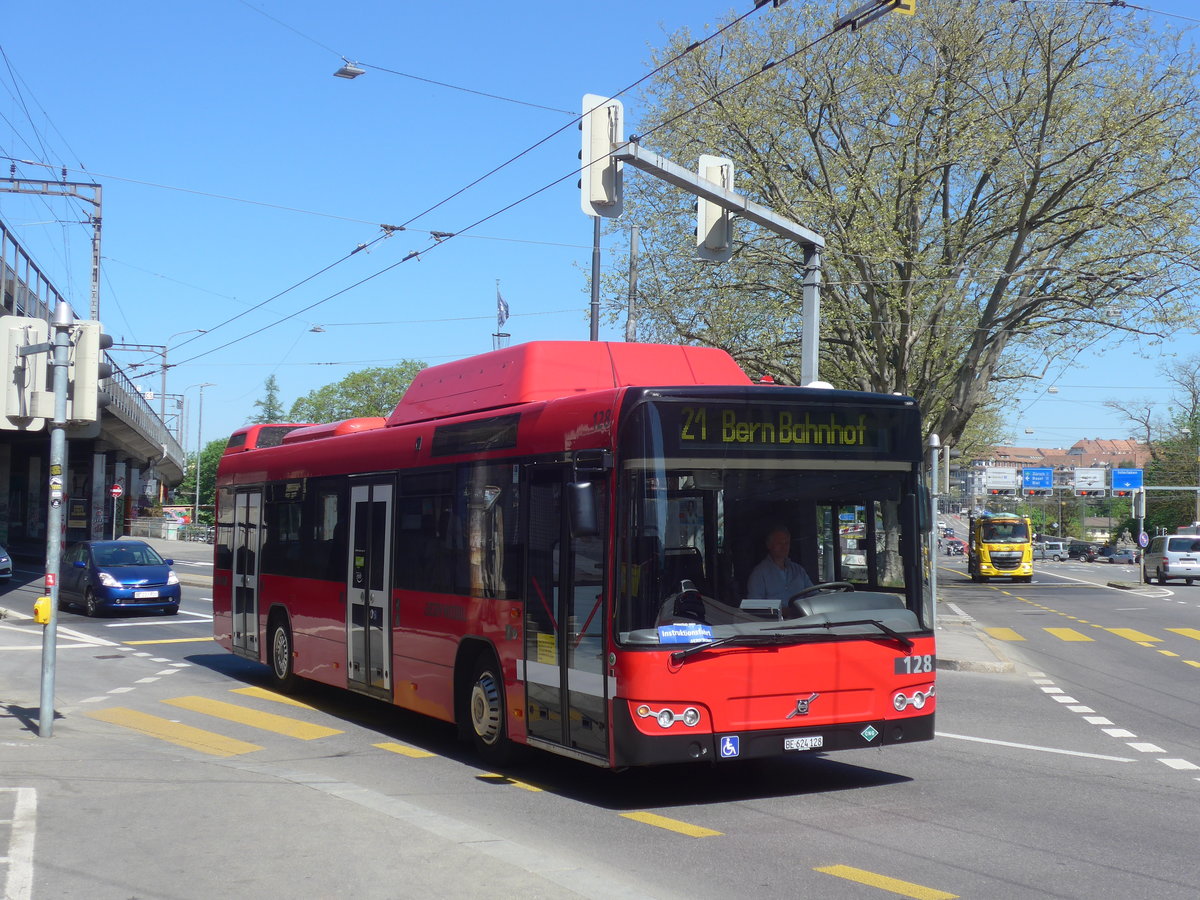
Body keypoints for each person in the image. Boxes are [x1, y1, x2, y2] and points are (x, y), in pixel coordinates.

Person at [747, 526, 814, 601]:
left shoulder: (799, 571)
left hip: (801, 612)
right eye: (779, 543)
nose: (784, 547)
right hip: (775, 612)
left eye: (786, 543)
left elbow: (814, 595)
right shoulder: (759, 574)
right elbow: (755, 605)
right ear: (769, 545)